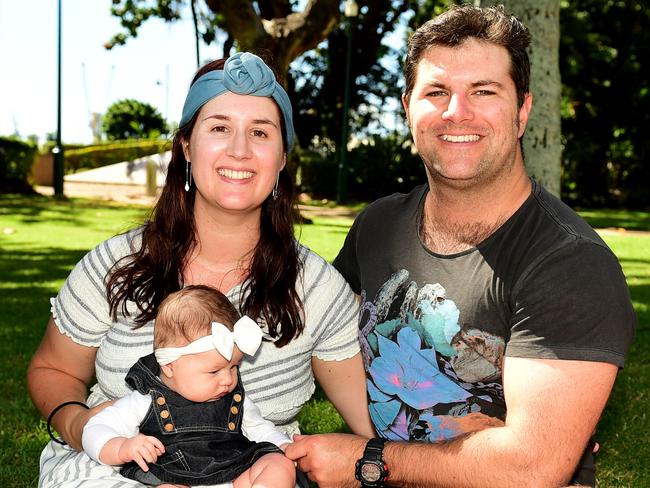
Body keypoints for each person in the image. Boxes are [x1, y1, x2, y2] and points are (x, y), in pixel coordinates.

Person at [285, 5, 636, 487]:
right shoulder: (379, 224)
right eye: (437, 92)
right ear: (408, 106)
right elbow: (306, 331)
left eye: (484, 91)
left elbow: (530, 469)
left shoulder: (569, 262)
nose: (457, 112)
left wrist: (369, 462)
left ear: (522, 110)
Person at [27, 51, 375, 487]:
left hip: (247, 475)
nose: (240, 150)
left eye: (261, 132)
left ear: (283, 157)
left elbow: (372, 421)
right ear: (187, 146)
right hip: (117, 469)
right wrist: (77, 424)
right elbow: (53, 369)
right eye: (220, 128)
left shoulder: (319, 290)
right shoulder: (117, 264)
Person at [82, 285, 295, 487]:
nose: (228, 380)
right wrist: (122, 447)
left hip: (234, 468)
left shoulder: (235, 399)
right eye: (214, 371)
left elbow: (260, 428)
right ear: (169, 367)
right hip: (172, 474)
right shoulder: (146, 400)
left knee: (278, 464)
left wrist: (283, 446)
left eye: (234, 368)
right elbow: (94, 429)